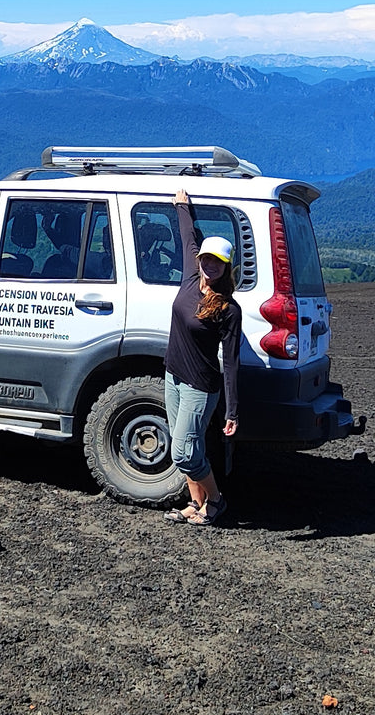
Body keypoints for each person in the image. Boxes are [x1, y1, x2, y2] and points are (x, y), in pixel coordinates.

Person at [162, 188, 240, 526]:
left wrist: (233, 411)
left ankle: (218, 501)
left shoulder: (228, 309)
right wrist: (183, 206)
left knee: (183, 451)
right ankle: (197, 504)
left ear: (226, 267)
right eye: (206, 259)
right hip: (173, 375)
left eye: (217, 262)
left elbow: (233, 362)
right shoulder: (192, 276)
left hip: (199, 386)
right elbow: (188, 239)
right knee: (186, 450)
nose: (209, 265)